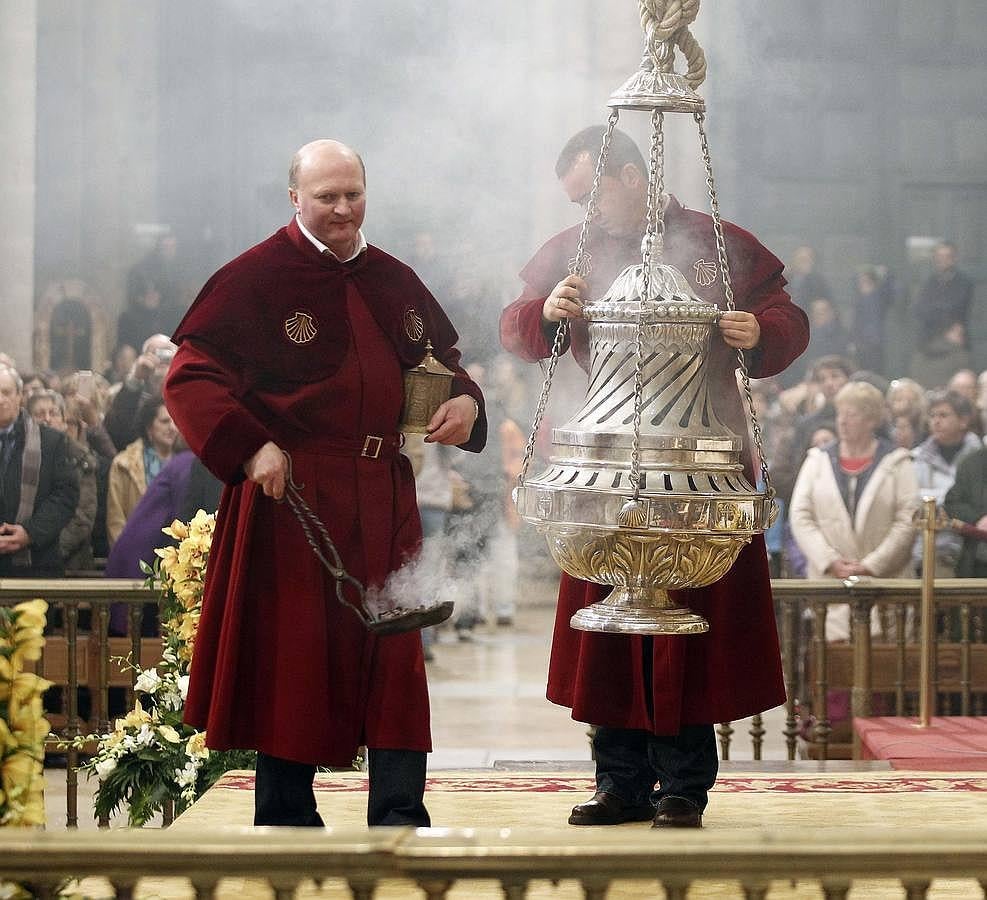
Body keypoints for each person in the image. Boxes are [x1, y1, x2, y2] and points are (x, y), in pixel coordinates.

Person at [164, 139, 486, 828]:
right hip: (295, 498)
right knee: (296, 656)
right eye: (326, 197)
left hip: (386, 492)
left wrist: (466, 402)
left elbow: (443, 363)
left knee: (396, 653)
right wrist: (252, 447)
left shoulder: (395, 279)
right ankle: (286, 819)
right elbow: (190, 375)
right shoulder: (253, 278)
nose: (341, 209)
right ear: (294, 199)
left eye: (352, 194)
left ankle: (399, 812)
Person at [500, 126, 809, 829]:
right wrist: (542, 312)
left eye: (591, 196)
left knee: (686, 629)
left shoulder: (714, 244)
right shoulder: (575, 252)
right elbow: (515, 327)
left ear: (632, 178)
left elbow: (786, 318)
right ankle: (618, 780)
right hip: (603, 467)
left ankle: (682, 785)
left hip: (698, 466)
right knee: (609, 631)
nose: (586, 214)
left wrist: (757, 332)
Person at [789, 381, 919, 640]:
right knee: (833, 672)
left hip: (885, 585)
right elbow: (800, 516)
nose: (843, 421)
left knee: (887, 672)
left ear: (871, 419)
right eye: (840, 414)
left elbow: (908, 520)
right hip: (831, 587)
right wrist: (830, 560)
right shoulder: (818, 460)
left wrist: (871, 565)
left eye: (852, 414)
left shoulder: (898, 461)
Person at [0, 366, 79, 578]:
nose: (0, 400)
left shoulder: (51, 441)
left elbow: (65, 495)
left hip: (36, 562)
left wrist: (30, 532)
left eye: (6, 392)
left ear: (19, 396)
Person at [909, 391, 981, 576]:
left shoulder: (979, 458)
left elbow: (973, 505)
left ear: (963, 420)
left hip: (970, 551)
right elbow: (912, 498)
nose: (936, 421)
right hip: (929, 549)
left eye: (943, 415)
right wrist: (948, 499)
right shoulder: (918, 457)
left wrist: (936, 498)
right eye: (932, 416)